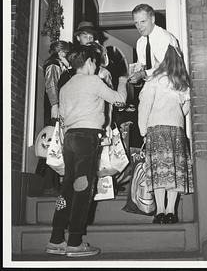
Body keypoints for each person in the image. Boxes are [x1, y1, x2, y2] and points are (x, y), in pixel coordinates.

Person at [45, 44, 128, 257]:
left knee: (67, 189)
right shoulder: (93, 81)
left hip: (70, 139)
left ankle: (56, 240)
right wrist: (122, 81)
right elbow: (119, 100)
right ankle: (74, 242)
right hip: (86, 138)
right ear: (90, 62)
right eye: (95, 62)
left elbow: (62, 118)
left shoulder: (65, 87)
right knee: (83, 189)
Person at [138, 44, 194, 224]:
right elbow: (185, 108)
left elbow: (144, 106)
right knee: (174, 172)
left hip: (155, 129)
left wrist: (142, 129)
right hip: (175, 130)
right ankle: (171, 212)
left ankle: (160, 212)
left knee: (158, 172)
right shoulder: (181, 82)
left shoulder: (154, 80)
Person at [35, 40, 71, 195]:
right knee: (52, 143)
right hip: (55, 109)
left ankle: (50, 182)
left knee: (55, 143)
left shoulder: (58, 64)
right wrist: (55, 106)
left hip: (57, 108)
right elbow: (51, 86)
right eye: (67, 53)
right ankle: (49, 184)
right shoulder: (54, 65)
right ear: (62, 52)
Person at [129, 3, 179, 84]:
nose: (139, 26)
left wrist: (143, 73)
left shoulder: (165, 37)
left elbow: (167, 68)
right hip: (150, 87)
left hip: (170, 86)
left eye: (143, 21)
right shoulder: (140, 42)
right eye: (136, 23)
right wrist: (136, 76)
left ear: (152, 19)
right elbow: (142, 67)